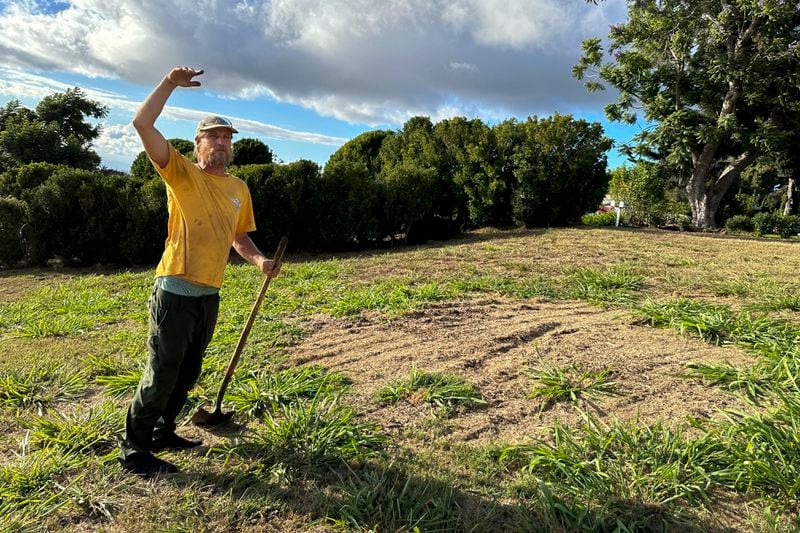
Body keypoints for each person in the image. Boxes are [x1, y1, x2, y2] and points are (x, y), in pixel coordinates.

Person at [119, 66, 281, 477]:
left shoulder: (238, 189)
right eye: (214, 136)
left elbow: (238, 238)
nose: (222, 142)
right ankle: (134, 451)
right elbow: (142, 122)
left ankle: (162, 431)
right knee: (162, 372)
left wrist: (260, 260)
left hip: (209, 292)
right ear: (198, 143)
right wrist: (169, 83)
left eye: (227, 137)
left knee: (188, 372)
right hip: (174, 287)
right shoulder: (181, 172)